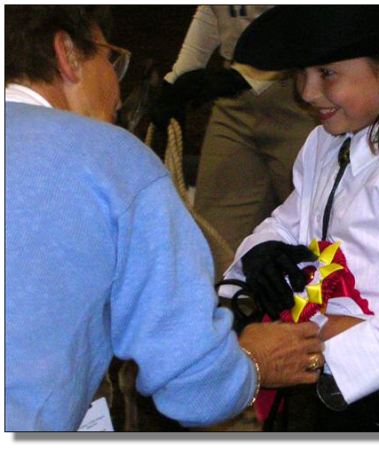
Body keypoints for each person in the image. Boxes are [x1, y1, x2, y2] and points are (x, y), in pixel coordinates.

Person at [5, 5, 323, 432]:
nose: (118, 92)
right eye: (111, 59)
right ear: (69, 54)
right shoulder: (113, 160)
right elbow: (194, 387)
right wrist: (253, 363)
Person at [221, 5, 379, 431]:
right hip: (330, 397)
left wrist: (320, 347)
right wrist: (261, 252)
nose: (308, 92)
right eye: (302, 73)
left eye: (327, 74)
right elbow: (289, 220)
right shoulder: (323, 145)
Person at [150, 5, 317, 251]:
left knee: (315, 228)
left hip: (305, 96)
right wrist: (178, 78)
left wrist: (246, 76)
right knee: (215, 242)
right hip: (234, 95)